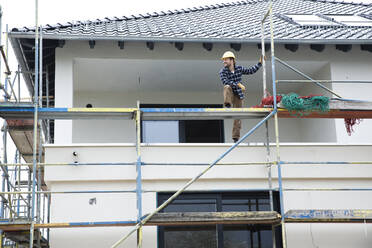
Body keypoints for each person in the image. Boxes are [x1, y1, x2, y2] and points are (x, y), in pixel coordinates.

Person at [219, 51, 264, 143]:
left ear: (232, 60)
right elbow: (225, 82)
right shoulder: (222, 71)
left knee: (238, 116)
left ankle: (235, 137)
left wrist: (259, 63)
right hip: (230, 93)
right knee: (227, 87)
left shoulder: (239, 68)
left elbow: (250, 71)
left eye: (226, 60)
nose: (224, 61)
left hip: (239, 95)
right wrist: (238, 84)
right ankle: (228, 103)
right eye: (223, 60)